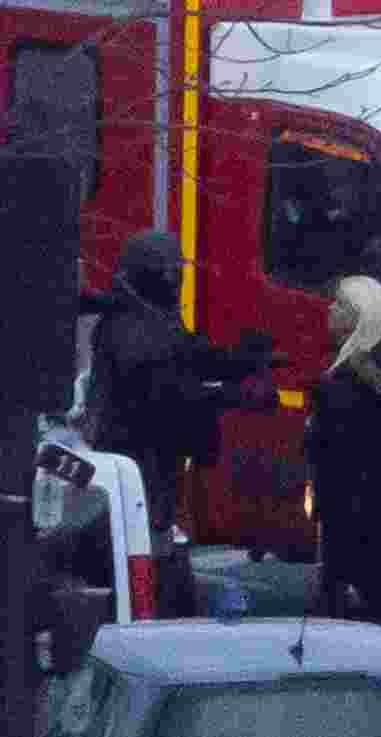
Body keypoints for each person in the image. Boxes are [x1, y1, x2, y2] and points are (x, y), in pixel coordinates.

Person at [86, 229, 279, 617]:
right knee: (149, 541)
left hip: (155, 459)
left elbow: (190, 353)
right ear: (155, 277)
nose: (180, 280)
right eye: (174, 273)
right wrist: (237, 396)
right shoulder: (132, 332)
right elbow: (172, 397)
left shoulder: (150, 316)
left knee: (159, 532)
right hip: (140, 458)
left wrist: (244, 360)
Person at [308, 275, 381, 619]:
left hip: (349, 513)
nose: (330, 308)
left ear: (360, 317)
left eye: (340, 304)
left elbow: (328, 454)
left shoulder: (342, 384)